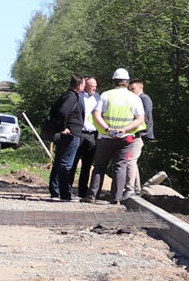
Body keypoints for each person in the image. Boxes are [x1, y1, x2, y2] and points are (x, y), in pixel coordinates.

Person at [90, 73, 146, 202]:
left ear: (114, 81)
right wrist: (125, 129)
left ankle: (92, 195)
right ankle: (116, 197)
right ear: (127, 82)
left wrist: (107, 128)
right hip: (126, 138)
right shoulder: (134, 98)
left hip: (106, 137)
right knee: (120, 166)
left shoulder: (106, 95)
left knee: (99, 166)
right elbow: (140, 118)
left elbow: (96, 114)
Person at [47, 77, 89, 200]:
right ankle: (65, 193)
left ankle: (56, 191)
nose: (84, 87)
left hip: (69, 134)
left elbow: (54, 110)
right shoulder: (72, 97)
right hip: (71, 134)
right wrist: (63, 127)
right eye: (83, 84)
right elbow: (62, 111)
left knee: (60, 162)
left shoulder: (66, 95)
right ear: (78, 85)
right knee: (66, 164)